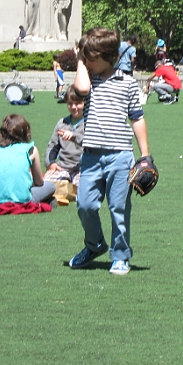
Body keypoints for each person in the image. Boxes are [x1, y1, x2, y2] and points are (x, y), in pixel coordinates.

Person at [68, 27, 150, 276]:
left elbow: (137, 118)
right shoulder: (89, 80)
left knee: (119, 208)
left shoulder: (127, 82)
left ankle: (121, 255)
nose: (88, 63)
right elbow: (80, 89)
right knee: (85, 205)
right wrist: (82, 58)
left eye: (92, 58)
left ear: (109, 57)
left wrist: (145, 156)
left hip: (120, 155)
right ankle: (95, 245)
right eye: (86, 58)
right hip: (91, 156)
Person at [0, 114, 55, 206]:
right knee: (50, 186)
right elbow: (39, 182)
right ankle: (46, 201)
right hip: (21, 199)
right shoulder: (31, 149)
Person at [44, 86, 85, 185]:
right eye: (70, 104)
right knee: (46, 185)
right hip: (63, 167)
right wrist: (51, 163)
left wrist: (74, 136)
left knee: (84, 192)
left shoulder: (90, 123)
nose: (74, 107)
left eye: (78, 103)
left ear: (85, 103)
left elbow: (94, 144)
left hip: (83, 169)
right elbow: (52, 146)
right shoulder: (62, 123)